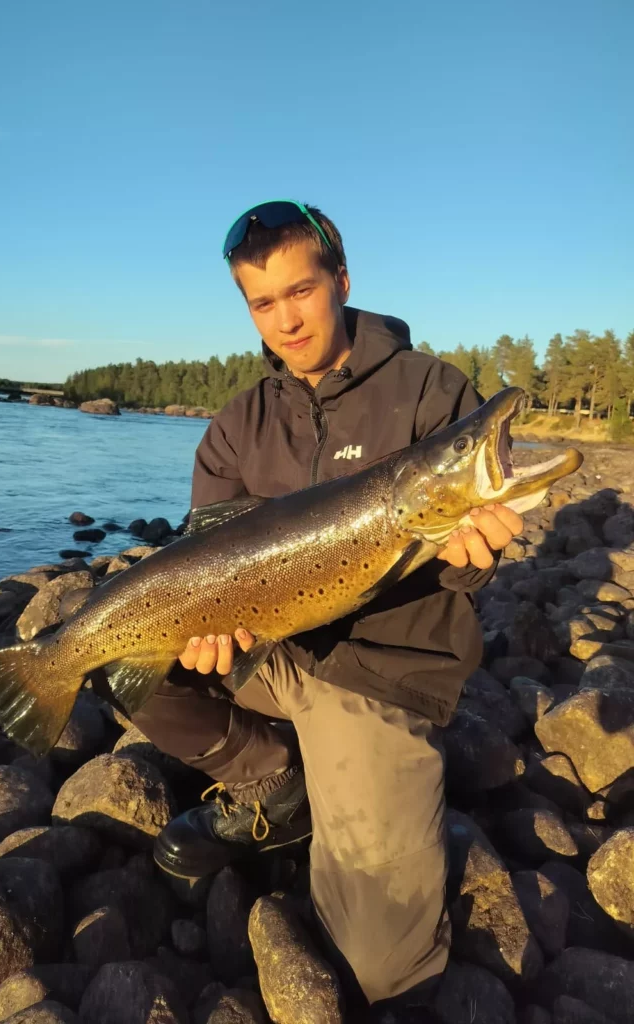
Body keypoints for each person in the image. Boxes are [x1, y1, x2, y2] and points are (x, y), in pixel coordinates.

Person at [131, 200, 523, 1018]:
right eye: (263, 302)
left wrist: (472, 561)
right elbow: (200, 550)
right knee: (111, 647)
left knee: (382, 970)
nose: (287, 317)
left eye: (301, 291)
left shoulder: (431, 392)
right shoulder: (237, 425)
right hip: (268, 650)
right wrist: (200, 631)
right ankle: (274, 781)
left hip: (379, 676)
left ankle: (339, 779)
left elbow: (458, 570)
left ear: (341, 281)